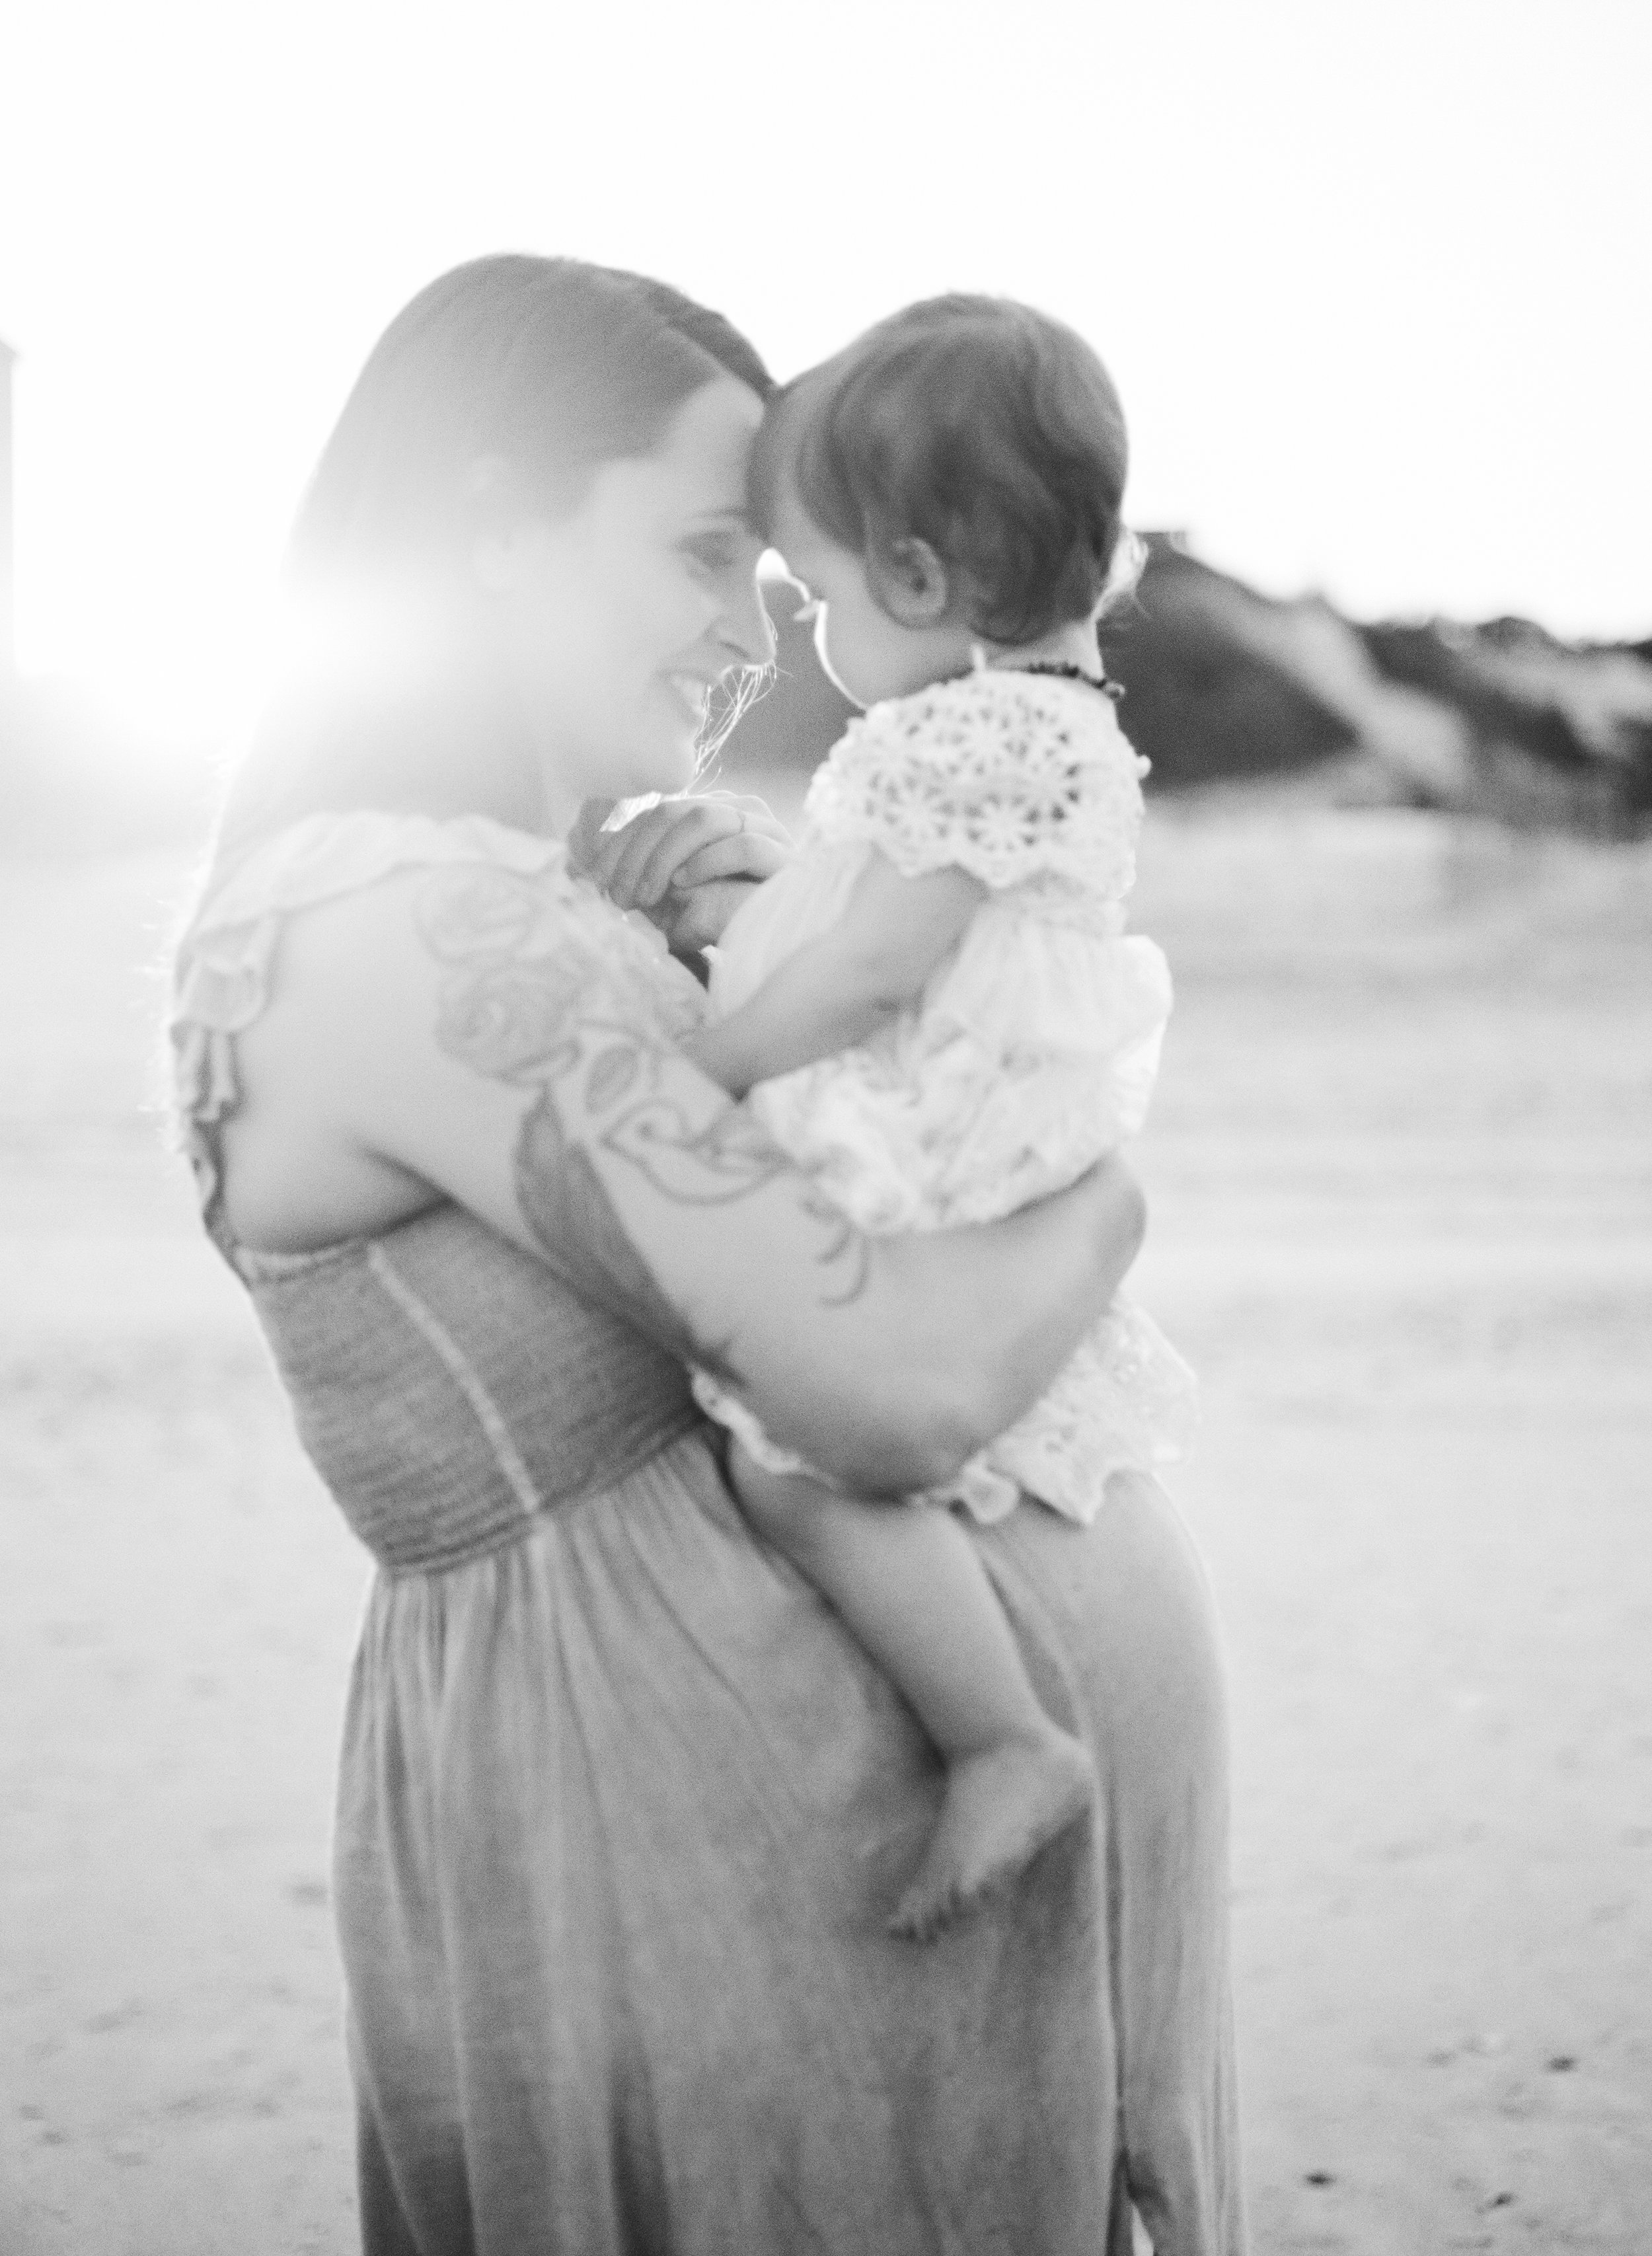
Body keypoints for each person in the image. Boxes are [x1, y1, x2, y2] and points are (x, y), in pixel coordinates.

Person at [170, 254, 1245, 2255]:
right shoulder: (399, 920)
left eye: (775, 573)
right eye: (702, 551)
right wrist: (1107, 1212)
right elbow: (889, 1381)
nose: (758, 635)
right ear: (486, 526)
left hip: (785, 1833)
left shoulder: (526, 900)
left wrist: (714, 931)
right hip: (680, 1834)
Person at [681, 295, 1199, 1941]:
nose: (806, 637)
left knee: (798, 1466)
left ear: (912, 579)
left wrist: (705, 1062)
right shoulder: (1063, 721)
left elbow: (868, 969)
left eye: (814, 593)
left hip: (945, 1117)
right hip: (1014, 1105)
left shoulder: (955, 734)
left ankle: (1000, 1740)